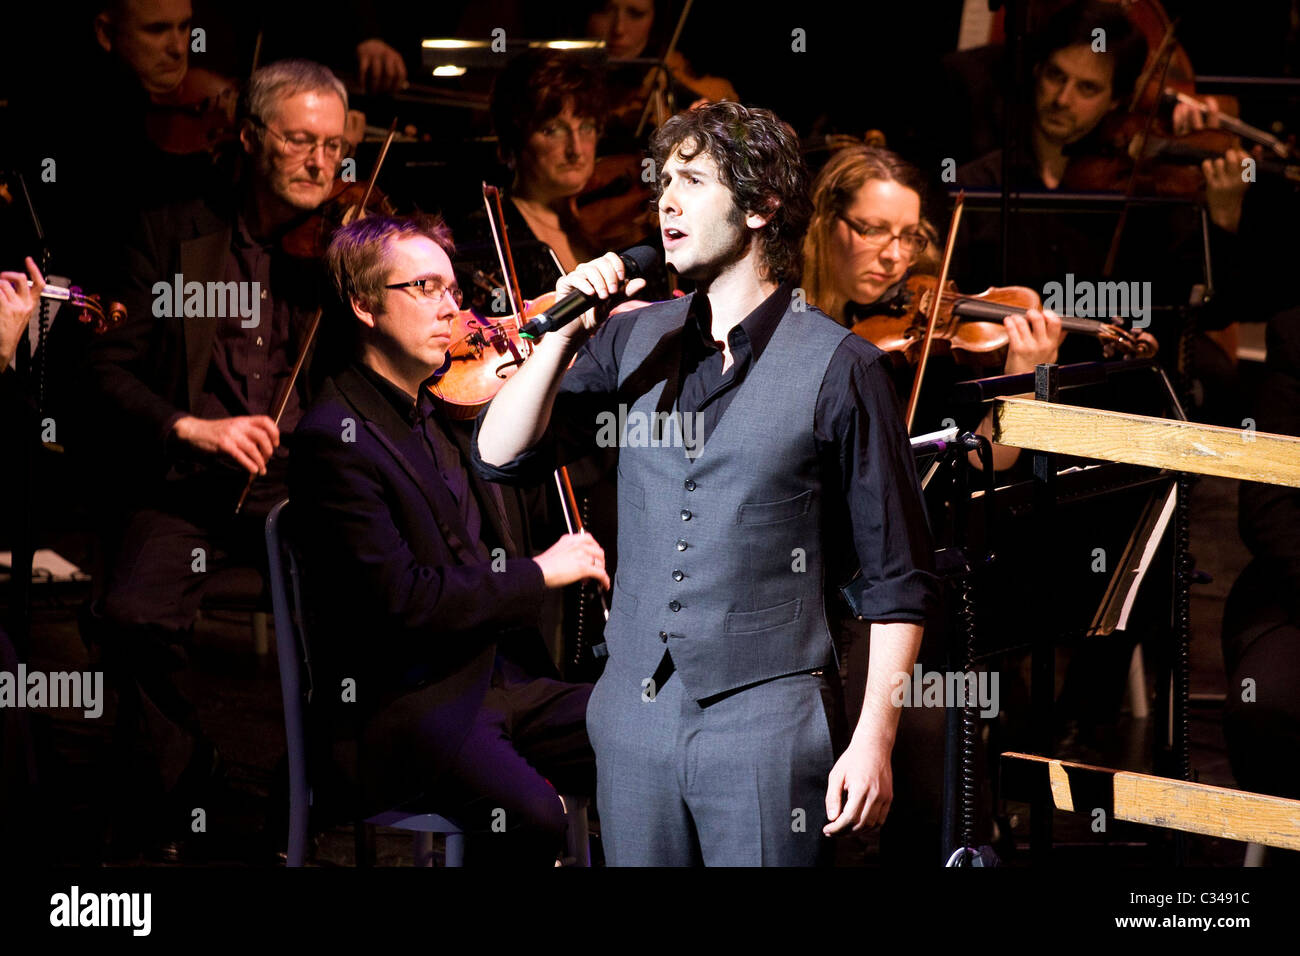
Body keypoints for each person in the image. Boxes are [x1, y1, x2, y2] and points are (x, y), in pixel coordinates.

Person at [475, 101, 939, 866]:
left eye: (693, 180)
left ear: (761, 206)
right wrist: (559, 338)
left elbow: (898, 581)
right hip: (632, 717)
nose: (666, 201)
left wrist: (872, 742)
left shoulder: (843, 368)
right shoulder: (630, 335)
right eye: (663, 181)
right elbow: (500, 453)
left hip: (769, 722)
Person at [81, 59, 348, 859]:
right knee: (130, 615)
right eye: (301, 141)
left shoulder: (343, 251)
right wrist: (191, 427)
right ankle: (177, 783)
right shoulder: (170, 234)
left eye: (334, 148)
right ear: (250, 136)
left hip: (303, 495)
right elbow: (104, 369)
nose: (319, 165)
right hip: (191, 487)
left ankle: (295, 815)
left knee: (360, 621)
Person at [290, 213, 601, 865]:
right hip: (404, 709)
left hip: (499, 682)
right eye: (425, 288)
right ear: (364, 305)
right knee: (533, 818)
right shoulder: (335, 438)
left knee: (654, 733)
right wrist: (541, 574)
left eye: (454, 291)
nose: (453, 312)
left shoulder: (442, 416)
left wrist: (555, 365)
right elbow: (404, 602)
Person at [803, 144, 1064, 471]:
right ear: (826, 221)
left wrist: (1024, 381)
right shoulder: (782, 321)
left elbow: (989, 461)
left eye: (909, 236)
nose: (894, 255)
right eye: (874, 230)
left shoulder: (923, 354)